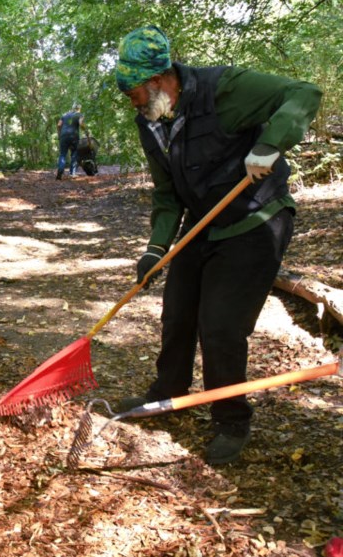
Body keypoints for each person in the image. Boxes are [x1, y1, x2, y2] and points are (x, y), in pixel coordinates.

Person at [114, 25, 322, 465]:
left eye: (133, 91)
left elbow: (304, 92)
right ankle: (167, 395)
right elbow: (168, 194)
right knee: (178, 312)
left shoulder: (223, 89)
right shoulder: (150, 122)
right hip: (202, 223)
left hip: (254, 220)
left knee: (221, 325)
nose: (130, 102)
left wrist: (269, 144)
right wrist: (155, 249)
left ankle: (231, 419)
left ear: (157, 81)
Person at [56, 104, 84, 179]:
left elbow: (59, 125)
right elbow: (81, 124)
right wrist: (85, 129)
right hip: (74, 136)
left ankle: (60, 171)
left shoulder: (64, 115)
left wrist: (59, 134)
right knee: (74, 154)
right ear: (78, 109)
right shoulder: (79, 115)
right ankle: (72, 173)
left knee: (62, 154)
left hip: (63, 136)